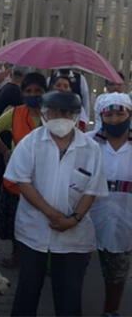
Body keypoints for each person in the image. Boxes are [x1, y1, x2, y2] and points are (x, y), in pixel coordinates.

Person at [5, 91, 108, 316]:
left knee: (70, 295)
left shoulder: (90, 149)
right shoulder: (30, 143)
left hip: (75, 234)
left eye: (66, 112)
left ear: (76, 116)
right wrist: (52, 214)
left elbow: (92, 189)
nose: (60, 117)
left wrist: (74, 219)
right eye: (54, 112)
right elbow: (23, 181)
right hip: (34, 229)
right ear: (44, 114)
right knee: (28, 290)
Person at [0, 72, 47, 268]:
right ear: (22, 93)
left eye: (38, 90)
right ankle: (17, 255)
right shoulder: (16, 113)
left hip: (44, 175)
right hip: (19, 175)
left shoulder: (52, 114)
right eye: (28, 91)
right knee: (16, 218)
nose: (33, 94)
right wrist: (5, 151)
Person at [87, 93, 132, 317]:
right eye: (110, 114)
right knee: (76, 267)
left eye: (120, 113)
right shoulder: (88, 142)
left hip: (125, 216)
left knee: (117, 272)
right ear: (102, 115)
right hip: (88, 214)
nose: (115, 119)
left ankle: (110, 311)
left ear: (129, 114)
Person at [0, 66, 28, 221]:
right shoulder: (15, 93)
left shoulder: (5, 89)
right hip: (7, 136)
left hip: (3, 134)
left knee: (1, 173)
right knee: (4, 174)